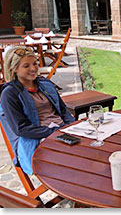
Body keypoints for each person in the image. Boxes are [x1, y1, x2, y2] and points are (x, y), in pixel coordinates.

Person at [0, 46, 75, 175]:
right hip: (35, 140)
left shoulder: (45, 84)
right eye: (26, 66)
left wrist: (71, 126)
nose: (33, 68)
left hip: (61, 132)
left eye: (35, 63)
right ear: (14, 69)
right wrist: (54, 132)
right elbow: (21, 129)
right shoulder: (10, 94)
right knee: (75, 162)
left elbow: (63, 111)